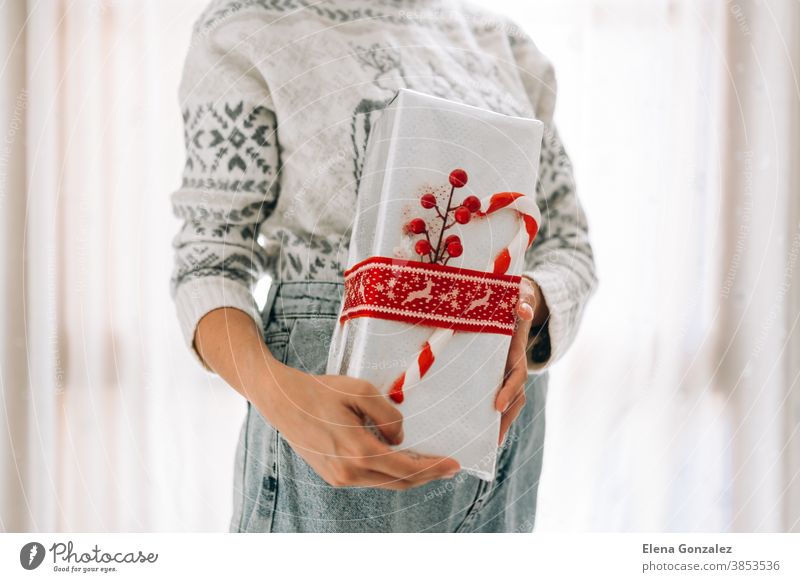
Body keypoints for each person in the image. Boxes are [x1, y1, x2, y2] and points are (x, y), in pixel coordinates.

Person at [169, 0, 597, 533]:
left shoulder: (503, 41)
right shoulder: (246, 29)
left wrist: (524, 302)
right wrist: (285, 402)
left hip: (502, 432)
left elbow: (568, 246)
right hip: (340, 429)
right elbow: (209, 266)